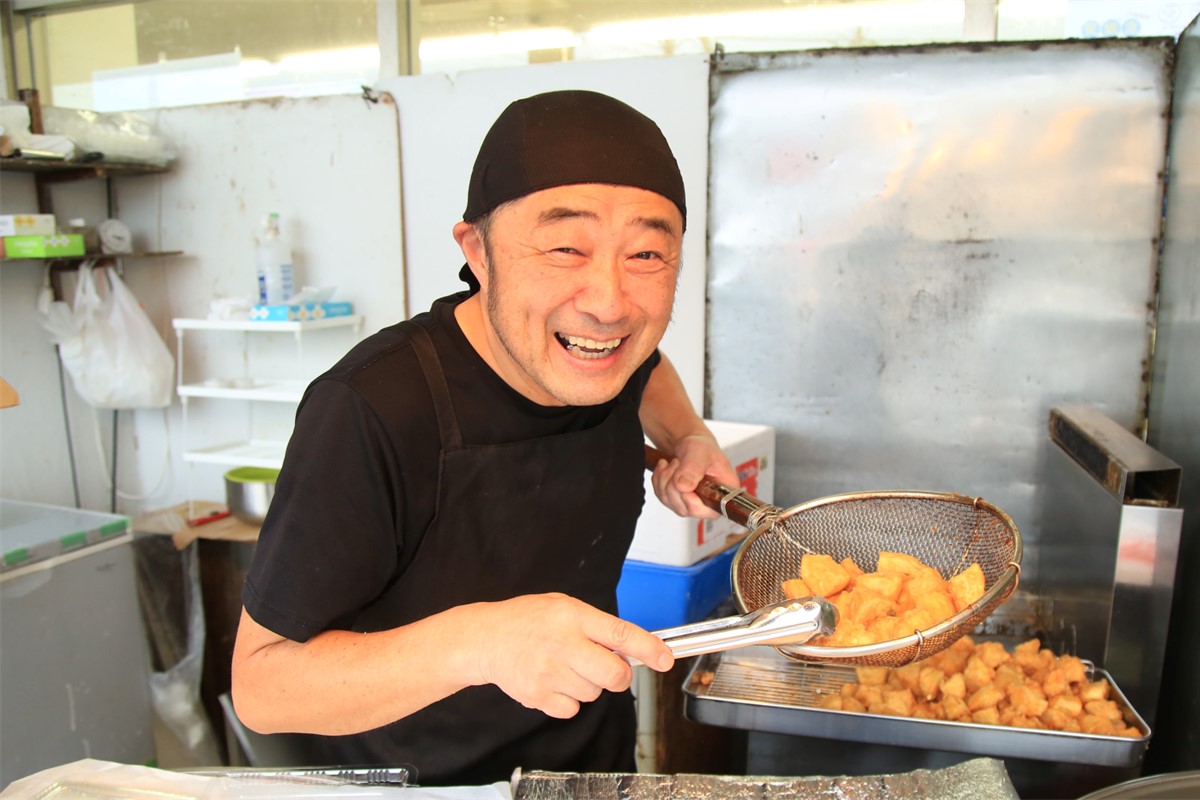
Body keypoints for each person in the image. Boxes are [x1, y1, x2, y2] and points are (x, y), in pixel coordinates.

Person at [231, 89, 737, 786]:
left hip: (589, 773)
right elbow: (263, 687)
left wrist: (688, 435)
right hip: (421, 785)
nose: (609, 302)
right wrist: (481, 643)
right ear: (478, 250)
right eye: (565, 247)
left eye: (647, 254)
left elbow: (645, 364)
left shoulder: (607, 349)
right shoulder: (371, 408)